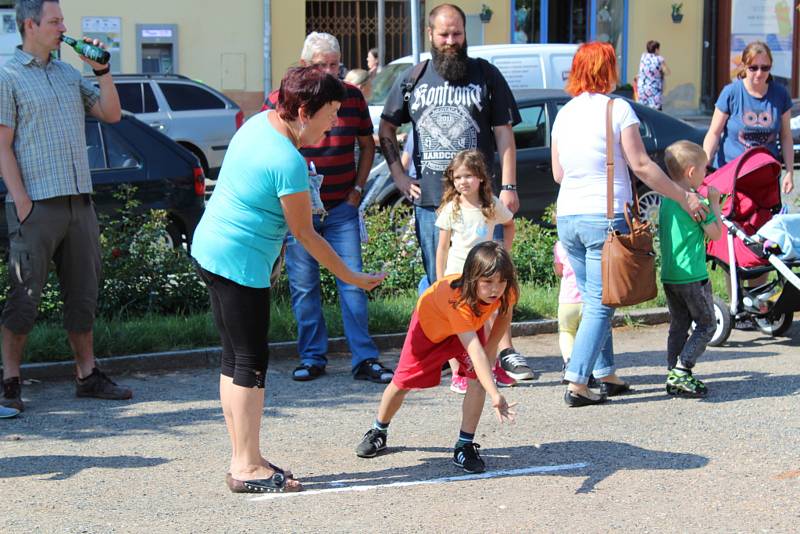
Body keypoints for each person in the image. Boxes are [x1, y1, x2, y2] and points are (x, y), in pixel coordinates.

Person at [191, 65, 385, 494]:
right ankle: (245, 466)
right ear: (301, 110)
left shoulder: (262, 123)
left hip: (214, 250)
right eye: (329, 113)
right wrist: (352, 275)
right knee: (249, 362)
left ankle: (247, 454)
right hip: (238, 264)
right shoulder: (287, 160)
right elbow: (306, 235)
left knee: (234, 357)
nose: (334, 124)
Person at [379, 3, 531, 380]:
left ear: (465, 34)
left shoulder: (485, 75)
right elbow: (384, 130)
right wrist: (399, 176)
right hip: (431, 201)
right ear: (430, 35)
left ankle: (501, 350)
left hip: (480, 201)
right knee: (443, 281)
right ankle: (454, 357)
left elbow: (504, 135)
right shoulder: (413, 79)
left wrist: (509, 186)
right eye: (444, 35)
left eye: (457, 34)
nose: (451, 41)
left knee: (491, 278)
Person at [552, 41, 709, 407]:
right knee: (601, 302)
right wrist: (681, 195)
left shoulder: (565, 113)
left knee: (597, 295)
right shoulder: (617, 109)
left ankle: (605, 372)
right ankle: (577, 380)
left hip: (568, 215)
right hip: (603, 218)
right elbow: (641, 165)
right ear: (606, 70)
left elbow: (559, 173)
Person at [0, 0, 129, 412]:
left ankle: (86, 375)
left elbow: (111, 114)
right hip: (36, 206)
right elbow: (1, 145)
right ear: (30, 24)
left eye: (62, 21)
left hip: (79, 203)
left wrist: (102, 70)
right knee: (25, 297)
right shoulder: (7, 75)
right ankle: (10, 381)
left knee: (83, 296)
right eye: (55, 21)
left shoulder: (68, 73)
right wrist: (22, 203)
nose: (62, 27)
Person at [264, 33, 393, 384]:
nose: (331, 71)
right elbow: (269, 145)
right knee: (304, 286)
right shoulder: (282, 100)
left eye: (335, 64)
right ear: (305, 66)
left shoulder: (350, 97)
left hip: (341, 207)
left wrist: (357, 190)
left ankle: (364, 359)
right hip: (300, 210)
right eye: (322, 65)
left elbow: (368, 145)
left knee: (353, 281)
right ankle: (312, 357)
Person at [355, 241, 517, 474]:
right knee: (401, 384)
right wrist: (495, 393)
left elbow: (503, 316)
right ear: (472, 278)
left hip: (467, 329)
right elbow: (474, 349)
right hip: (429, 331)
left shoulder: (505, 290)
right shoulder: (456, 300)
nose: (495, 289)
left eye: (501, 282)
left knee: (478, 380)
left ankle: (464, 446)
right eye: (488, 282)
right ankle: (378, 430)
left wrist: (490, 359)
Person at [434, 150, 522, 393]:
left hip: (484, 274)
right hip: (456, 275)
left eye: (469, 176)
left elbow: (509, 223)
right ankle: (457, 374)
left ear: (481, 177)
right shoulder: (451, 208)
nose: (463, 181)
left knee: (483, 322)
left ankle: (488, 368)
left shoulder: (490, 204)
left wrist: (504, 252)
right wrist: (440, 279)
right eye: (458, 177)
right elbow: (442, 247)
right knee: (457, 326)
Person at [659, 141, 722, 397]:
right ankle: (682, 370)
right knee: (707, 324)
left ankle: (672, 370)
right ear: (691, 172)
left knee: (679, 323)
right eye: (704, 169)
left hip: (671, 275)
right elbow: (716, 234)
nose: (706, 174)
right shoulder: (695, 202)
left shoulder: (666, 200)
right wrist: (715, 203)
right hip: (692, 276)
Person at [703, 40, 794, 195]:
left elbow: (785, 136)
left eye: (765, 68)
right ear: (744, 66)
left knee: (765, 219)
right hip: (731, 175)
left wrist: (790, 172)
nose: (759, 73)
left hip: (764, 177)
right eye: (753, 68)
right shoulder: (731, 92)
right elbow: (714, 133)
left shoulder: (780, 94)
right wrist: (704, 165)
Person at [636, 40, 670, 110]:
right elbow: (667, 72)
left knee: (643, 110)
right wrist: (661, 71)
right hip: (654, 89)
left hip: (642, 89)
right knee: (656, 111)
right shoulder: (659, 59)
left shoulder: (643, 57)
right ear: (656, 49)